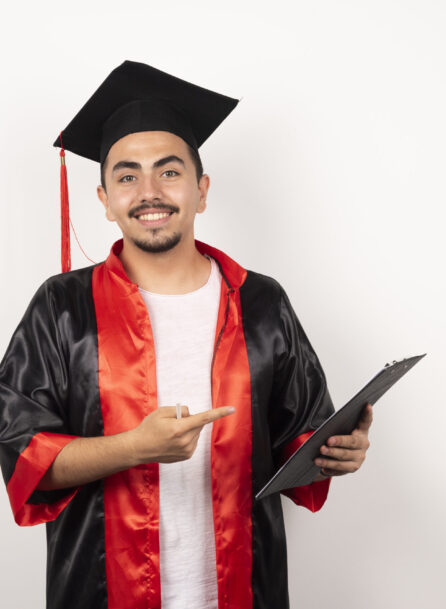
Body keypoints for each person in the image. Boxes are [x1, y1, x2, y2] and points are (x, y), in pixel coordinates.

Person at [0, 60, 372, 609]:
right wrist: (134, 448)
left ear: (201, 190)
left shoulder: (261, 302)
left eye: (168, 172)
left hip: (246, 590)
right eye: (127, 176)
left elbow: (299, 438)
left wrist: (338, 449)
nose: (149, 192)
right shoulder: (61, 308)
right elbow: (22, 453)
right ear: (104, 200)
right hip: (101, 592)